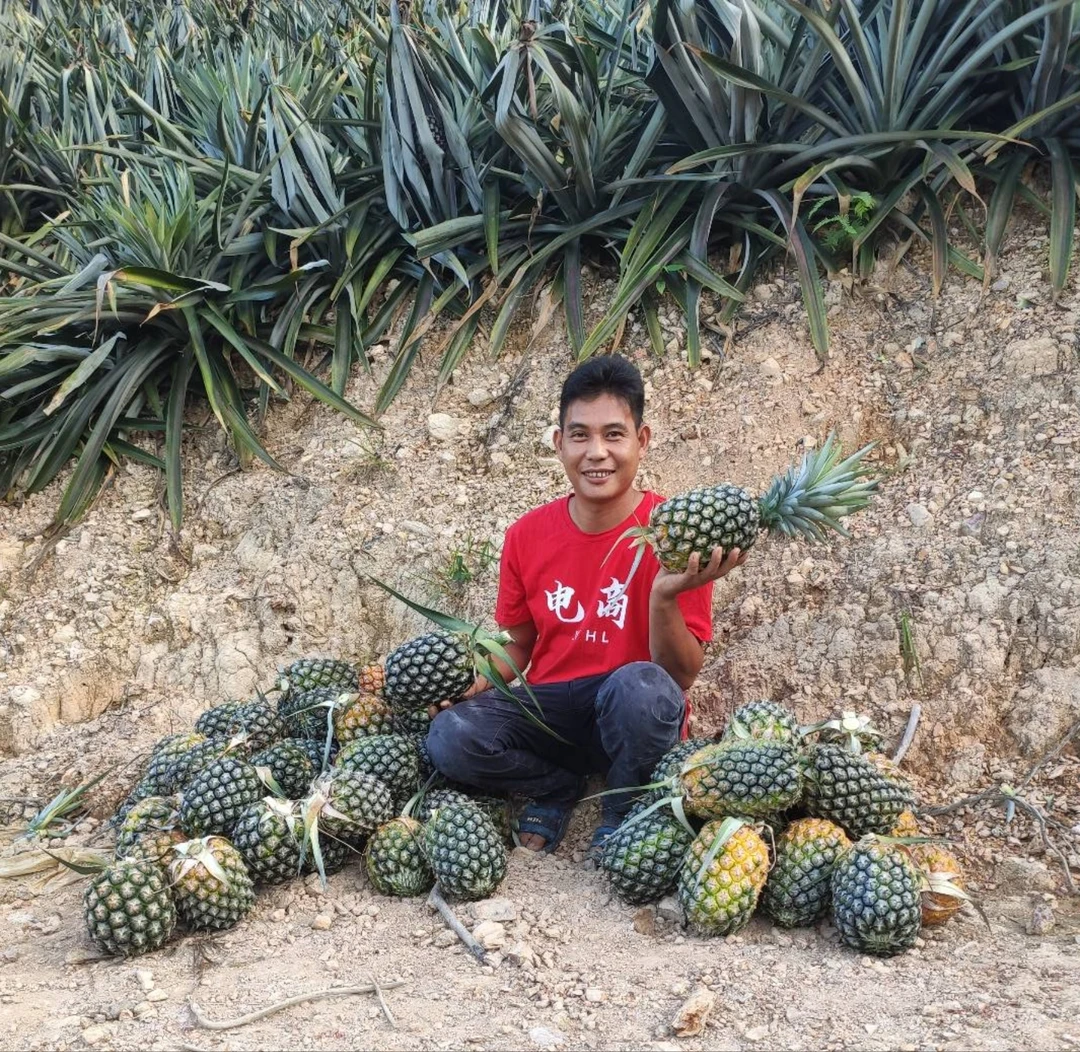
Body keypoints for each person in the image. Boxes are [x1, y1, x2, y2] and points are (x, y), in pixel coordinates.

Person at [425, 356, 747, 853]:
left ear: (642, 441)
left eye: (614, 435)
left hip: (629, 707)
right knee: (449, 737)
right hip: (549, 711)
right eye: (580, 435)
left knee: (643, 688)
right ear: (559, 444)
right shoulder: (526, 536)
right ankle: (554, 785)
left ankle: (622, 805)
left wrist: (665, 594)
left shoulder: (679, 531)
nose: (597, 453)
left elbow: (678, 678)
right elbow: (521, 644)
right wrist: (472, 683)